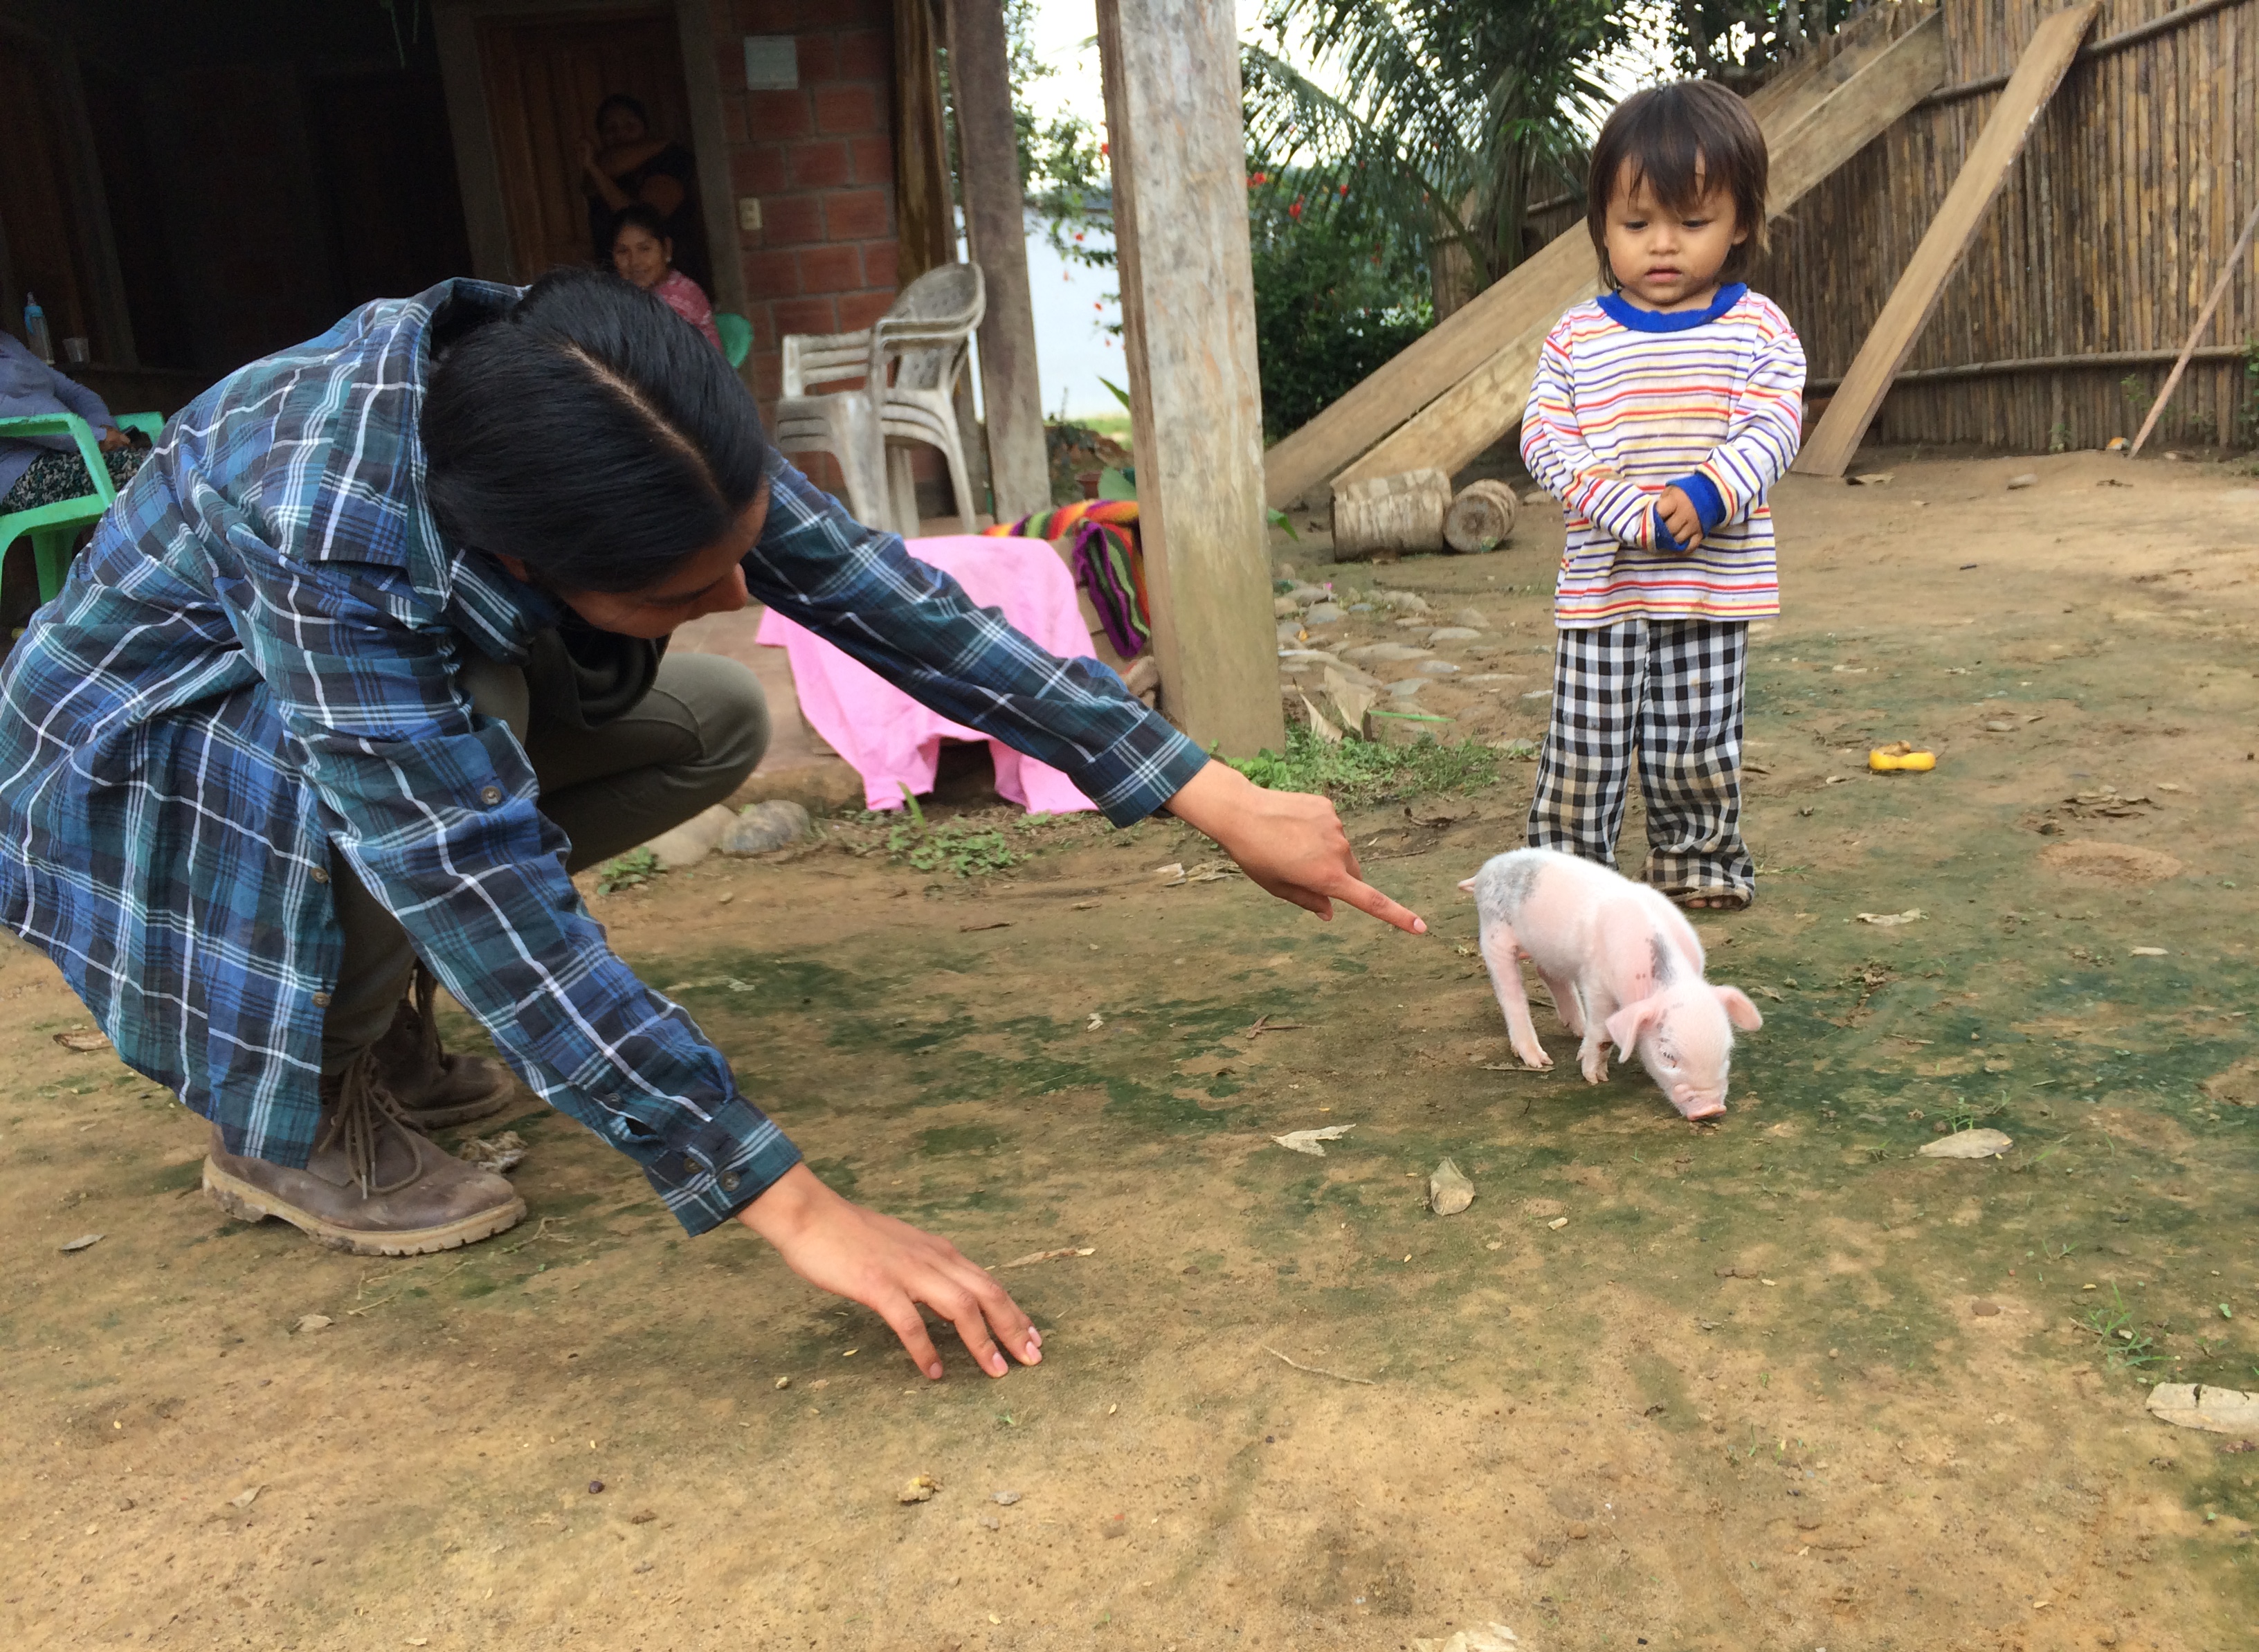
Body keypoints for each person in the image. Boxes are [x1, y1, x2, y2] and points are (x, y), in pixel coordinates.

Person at [0, 270, 1424, 1382]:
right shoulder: (321, 524)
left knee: (715, 718)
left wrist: (1205, 789)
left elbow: (887, 599)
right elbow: (472, 875)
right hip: (141, 783)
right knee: (465, 737)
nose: (737, 595)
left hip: (323, 727)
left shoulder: (605, 403)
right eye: (678, 593)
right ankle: (287, 1113)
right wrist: (792, 1204)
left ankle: (369, 1015)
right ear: (522, 557)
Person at [1518, 80, 1805, 913]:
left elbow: (1775, 422)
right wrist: (1618, 506)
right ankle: (1567, 879)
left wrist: (1712, 491)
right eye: (1637, 224)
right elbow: (1545, 437)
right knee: (1585, 744)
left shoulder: (1757, 330)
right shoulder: (1578, 337)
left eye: (1693, 221)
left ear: (1741, 221)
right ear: (1603, 226)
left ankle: (1696, 863)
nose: (1663, 245)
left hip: (1711, 589)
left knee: (1696, 743)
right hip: (1605, 586)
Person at [0, 327, 147, 519]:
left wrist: (103, 426)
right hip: (25, 475)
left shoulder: (7, 343)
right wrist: (96, 438)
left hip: (79, 452)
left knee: (167, 457)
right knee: (150, 467)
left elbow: (75, 393)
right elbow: (12, 414)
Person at [579, 94, 710, 295]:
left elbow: (641, 219)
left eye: (630, 126)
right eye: (611, 129)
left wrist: (595, 170)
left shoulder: (671, 160)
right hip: (617, 285)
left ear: (645, 129)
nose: (621, 134)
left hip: (669, 283)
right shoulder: (605, 168)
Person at [612, 202, 720, 352]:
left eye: (645, 249)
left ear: (667, 249)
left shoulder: (675, 300)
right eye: (623, 251)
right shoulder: (639, 294)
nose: (634, 261)